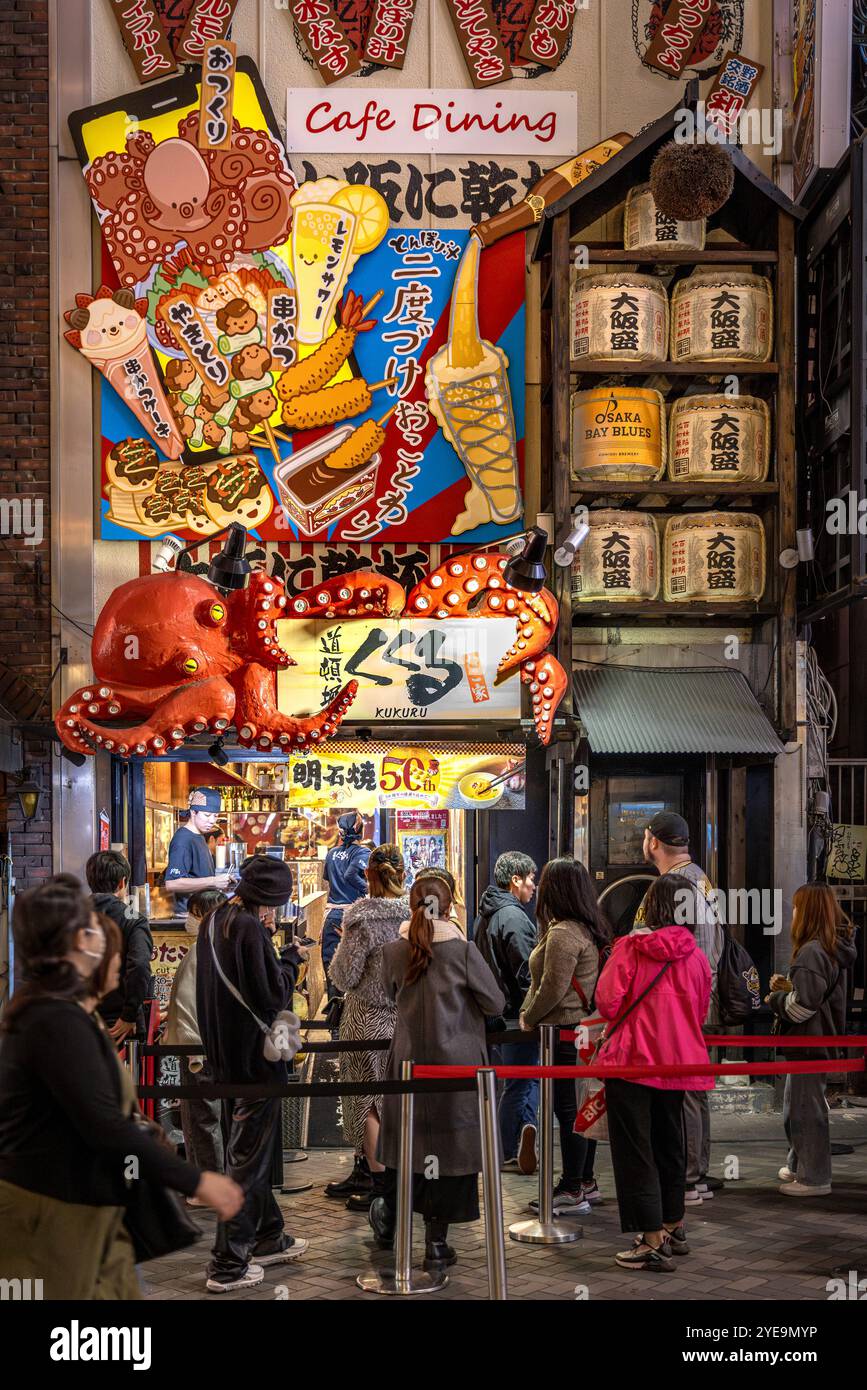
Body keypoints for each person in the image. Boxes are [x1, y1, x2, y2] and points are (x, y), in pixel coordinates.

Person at [0, 879, 241, 1300]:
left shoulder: (62, 1013)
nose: (106, 939)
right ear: (74, 942)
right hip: (50, 1217)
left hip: (78, 1212)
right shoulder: (55, 1021)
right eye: (91, 929)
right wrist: (197, 1180)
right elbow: (105, 1125)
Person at [370, 873, 505, 1270]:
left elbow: (390, 993)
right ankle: (437, 1242)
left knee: (412, 1147)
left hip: (409, 1063)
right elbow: (495, 1002)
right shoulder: (463, 951)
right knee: (449, 1151)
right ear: (449, 908)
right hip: (457, 1067)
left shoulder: (394, 950)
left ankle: (399, 1235)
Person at [196, 855, 308, 1292]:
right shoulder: (247, 928)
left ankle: (267, 1236)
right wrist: (291, 963)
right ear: (267, 900)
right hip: (254, 1063)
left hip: (225, 1059)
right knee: (246, 1162)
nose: (275, 911)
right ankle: (228, 1263)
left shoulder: (216, 920)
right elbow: (270, 994)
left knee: (248, 1155)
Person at [596, 874, 712, 1271]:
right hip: (678, 1062)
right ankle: (673, 1223)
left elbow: (608, 1003)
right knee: (670, 1143)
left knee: (635, 1150)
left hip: (632, 1061)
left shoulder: (630, 947)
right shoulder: (696, 956)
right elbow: (701, 1013)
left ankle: (650, 1239)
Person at [636, 810, 723, 1204]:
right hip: (698, 1002)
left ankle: (687, 1176)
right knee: (694, 1089)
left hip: (685, 1006)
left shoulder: (679, 885)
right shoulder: (700, 878)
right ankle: (696, 1172)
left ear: (653, 841)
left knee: (684, 1088)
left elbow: (694, 952)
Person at [520, 857, 609, 1212]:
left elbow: (552, 988)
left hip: (564, 1029)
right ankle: (585, 1181)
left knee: (568, 1109)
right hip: (586, 1028)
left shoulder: (562, 933)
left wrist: (529, 1016)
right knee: (584, 1106)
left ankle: (571, 1187)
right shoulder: (588, 927)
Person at [325, 844, 409, 1208]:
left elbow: (343, 975)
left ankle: (379, 1187)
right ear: (403, 874)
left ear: (368, 876)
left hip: (367, 1017)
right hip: (404, 1017)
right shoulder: (416, 915)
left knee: (368, 1102)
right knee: (394, 1098)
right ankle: (392, 1177)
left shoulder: (361, 919)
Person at [767, 882, 856, 1197]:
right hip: (818, 1040)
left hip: (809, 1041)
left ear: (806, 912)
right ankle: (798, 1165)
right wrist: (788, 988)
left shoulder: (812, 951)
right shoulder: (830, 947)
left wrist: (776, 999)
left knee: (806, 1109)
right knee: (798, 1107)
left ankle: (813, 1176)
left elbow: (804, 1006)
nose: (792, 913)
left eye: (795, 907)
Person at [474, 850, 539, 1174]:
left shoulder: (486, 913)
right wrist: (535, 1008)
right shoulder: (512, 918)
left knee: (520, 1080)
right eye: (530, 879)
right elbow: (527, 974)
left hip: (494, 1015)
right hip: (516, 1014)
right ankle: (506, 1148)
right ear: (515, 880)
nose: (533, 887)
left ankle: (523, 1133)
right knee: (519, 1083)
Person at [163, 888, 228, 1189]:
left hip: (198, 1050)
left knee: (200, 1118)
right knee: (208, 1116)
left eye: (194, 913)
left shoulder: (201, 951)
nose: (189, 919)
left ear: (204, 915)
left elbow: (189, 1005)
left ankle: (206, 1185)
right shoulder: (220, 946)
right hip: (217, 1045)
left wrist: (192, 1052)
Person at [85, 849, 155, 1047]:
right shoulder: (134, 919)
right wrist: (129, 1014)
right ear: (123, 882)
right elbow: (140, 966)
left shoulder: (70, 916)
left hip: (77, 1019)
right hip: (119, 1024)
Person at [322, 811, 371, 988]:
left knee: (331, 967)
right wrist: (368, 888)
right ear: (360, 830)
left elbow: (327, 878)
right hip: (351, 916)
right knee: (354, 970)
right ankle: (350, 1013)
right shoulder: (363, 852)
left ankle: (333, 1010)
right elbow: (350, 874)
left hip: (332, 915)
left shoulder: (331, 853)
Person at [165, 788, 233, 913]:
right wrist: (213, 881)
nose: (212, 820)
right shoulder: (183, 840)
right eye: (207, 815)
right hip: (190, 914)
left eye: (215, 816)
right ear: (193, 812)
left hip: (204, 912)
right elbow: (172, 883)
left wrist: (221, 881)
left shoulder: (199, 836)